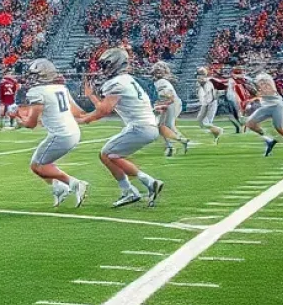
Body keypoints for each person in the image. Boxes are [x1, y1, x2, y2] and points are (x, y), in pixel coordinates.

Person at [77, 47, 164, 208]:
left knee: (107, 154)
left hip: (140, 127)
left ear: (116, 64)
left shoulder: (116, 83)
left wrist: (85, 120)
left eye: (106, 64)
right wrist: (91, 97)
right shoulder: (126, 79)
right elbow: (105, 106)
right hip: (147, 125)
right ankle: (137, 187)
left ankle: (140, 186)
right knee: (110, 155)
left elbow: (104, 110)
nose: (103, 69)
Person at [12, 58, 88, 207]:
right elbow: (77, 112)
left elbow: (32, 124)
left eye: (35, 74)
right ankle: (59, 188)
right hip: (73, 132)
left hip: (61, 135)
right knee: (45, 164)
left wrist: (19, 120)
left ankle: (74, 184)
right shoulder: (61, 88)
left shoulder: (37, 92)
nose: (32, 78)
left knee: (37, 166)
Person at [244, 71, 283, 157]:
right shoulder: (261, 83)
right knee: (249, 123)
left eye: (263, 81)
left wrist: (254, 91)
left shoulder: (270, 87)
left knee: (280, 129)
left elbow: (266, 92)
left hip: (277, 106)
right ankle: (269, 140)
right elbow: (258, 93)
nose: (263, 82)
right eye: (261, 81)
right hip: (266, 107)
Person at [151, 62, 190, 157]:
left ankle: (172, 146)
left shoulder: (162, 82)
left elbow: (170, 98)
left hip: (170, 104)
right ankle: (179, 142)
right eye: (157, 68)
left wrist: (160, 105)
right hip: (168, 104)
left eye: (160, 68)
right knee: (165, 126)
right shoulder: (158, 82)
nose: (158, 70)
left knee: (163, 126)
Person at [194, 67, 224, 144]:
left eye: (200, 75)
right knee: (200, 120)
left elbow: (211, 96)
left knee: (206, 122)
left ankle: (218, 131)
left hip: (211, 103)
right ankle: (216, 134)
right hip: (205, 104)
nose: (199, 78)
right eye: (198, 75)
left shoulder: (208, 83)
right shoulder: (201, 83)